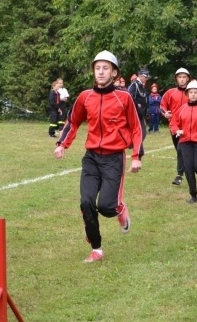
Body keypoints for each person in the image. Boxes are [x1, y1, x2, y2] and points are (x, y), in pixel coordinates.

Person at [54, 50, 143, 263]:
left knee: (105, 206)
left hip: (114, 159)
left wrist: (136, 155)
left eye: (105, 68)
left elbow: (136, 128)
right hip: (92, 157)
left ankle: (120, 209)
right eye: (97, 68)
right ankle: (97, 249)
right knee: (86, 202)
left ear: (114, 73)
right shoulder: (85, 97)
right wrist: (62, 144)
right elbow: (73, 121)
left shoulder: (124, 98)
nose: (101, 72)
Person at [160, 67, 192, 185]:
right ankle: (187, 168)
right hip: (174, 126)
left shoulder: (193, 92)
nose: (182, 79)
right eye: (180, 77)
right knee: (179, 150)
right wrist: (165, 114)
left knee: (180, 149)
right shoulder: (170, 92)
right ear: (176, 79)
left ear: (188, 79)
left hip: (188, 126)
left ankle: (179, 175)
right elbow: (162, 106)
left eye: (184, 77)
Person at [126, 68, 150, 156]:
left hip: (141, 114)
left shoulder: (140, 85)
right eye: (146, 77)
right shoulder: (134, 85)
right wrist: (136, 105)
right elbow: (129, 96)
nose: (147, 79)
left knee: (141, 132)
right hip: (136, 113)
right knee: (142, 132)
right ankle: (134, 146)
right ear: (141, 76)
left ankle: (139, 150)